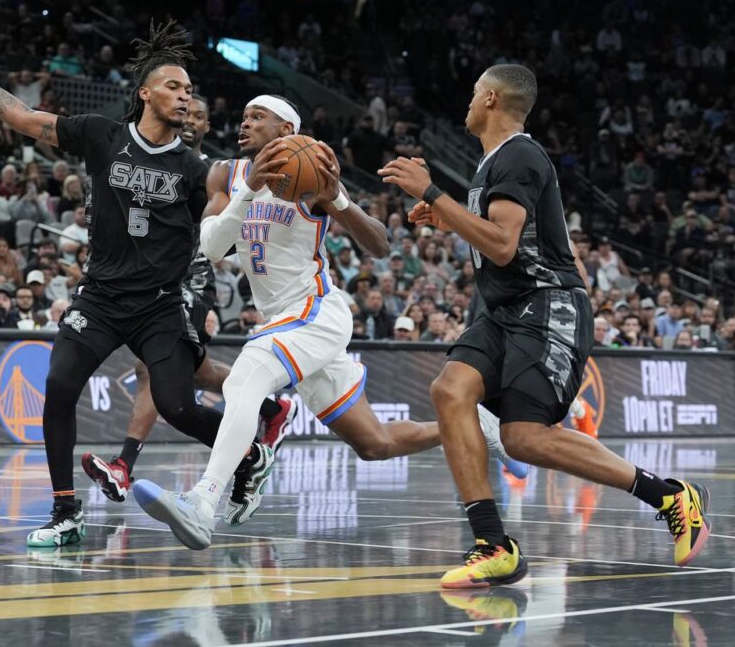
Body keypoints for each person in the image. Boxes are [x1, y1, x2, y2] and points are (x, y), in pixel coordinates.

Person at [0, 15, 258, 548]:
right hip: (100, 297)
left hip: (159, 305)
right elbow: (19, 116)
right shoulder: (103, 135)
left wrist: (262, 182)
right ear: (145, 92)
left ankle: (250, 454)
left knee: (177, 406)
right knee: (58, 386)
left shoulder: (193, 167)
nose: (185, 96)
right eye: (174, 86)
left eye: (189, 90)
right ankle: (65, 511)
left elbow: (226, 208)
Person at [132, 96, 520, 550]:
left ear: (287, 130)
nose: (245, 122)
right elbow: (212, 248)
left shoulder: (314, 173)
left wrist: (337, 198)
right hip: (284, 323)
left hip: (315, 312)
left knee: (244, 377)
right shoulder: (226, 175)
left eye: (258, 117)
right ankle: (475, 423)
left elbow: (380, 245)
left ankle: (203, 503)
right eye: (244, 115)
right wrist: (248, 190)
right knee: (374, 444)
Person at [381, 64, 709, 587]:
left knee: (525, 438)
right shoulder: (493, 163)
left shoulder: (519, 155)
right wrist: (446, 217)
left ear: (491, 98)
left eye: (474, 93)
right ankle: (493, 545)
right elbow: (498, 235)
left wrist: (434, 192)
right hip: (504, 309)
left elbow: (502, 245)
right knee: (450, 390)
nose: (468, 103)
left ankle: (670, 497)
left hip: (546, 305)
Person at [83, 94, 295, 504]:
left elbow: (228, 238)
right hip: (149, 277)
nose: (191, 120)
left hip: (189, 277)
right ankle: (272, 410)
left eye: (200, 115)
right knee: (195, 374)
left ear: (206, 126)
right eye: (187, 113)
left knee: (149, 367)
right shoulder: (149, 159)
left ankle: (124, 465)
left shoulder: (213, 172)